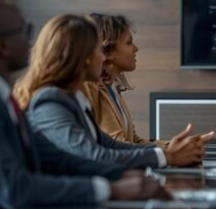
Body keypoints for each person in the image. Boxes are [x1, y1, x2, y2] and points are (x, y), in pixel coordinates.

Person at [0, 0, 166, 209]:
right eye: (24, 30)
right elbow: (15, 188)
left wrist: (126, 176)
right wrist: (109, 188)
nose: (31, 41)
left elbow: (56, 159)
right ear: (3, 46)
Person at [14, 14, 213, 169]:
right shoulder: (50, 101)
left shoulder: (74, 99)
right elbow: (93, 155)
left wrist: (171, 150)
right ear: (83, 58)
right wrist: (168, 155)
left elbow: (112, 145)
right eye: (98, 51)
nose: (103, 58)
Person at [82, 13, 204, 147]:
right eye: (129, 43)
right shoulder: (94, 89)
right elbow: (118, 146)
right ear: (108, 51)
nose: (136, 48)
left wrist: (176, 146)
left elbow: (133, 140)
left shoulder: (112, 88)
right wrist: (170, 153)